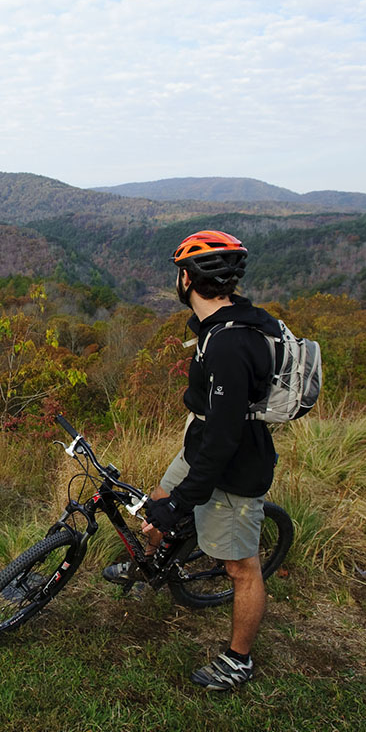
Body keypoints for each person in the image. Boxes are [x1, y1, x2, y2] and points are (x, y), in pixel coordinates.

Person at [104, 229, 281, 691]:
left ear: (186, 279)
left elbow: (226, 440)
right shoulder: (226, 324)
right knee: (158, 497)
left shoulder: (227, 344)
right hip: (203, 444)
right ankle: (150, 565)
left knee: (241, 568)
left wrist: (184, 503)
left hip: (234, 466)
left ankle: (238, 660)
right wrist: (174, 499)